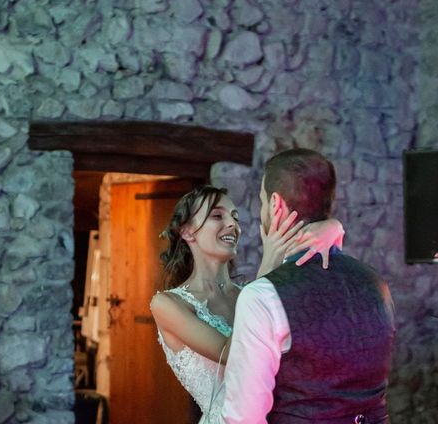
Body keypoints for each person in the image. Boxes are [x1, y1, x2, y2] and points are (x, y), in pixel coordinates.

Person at [221, 149, 396, 423]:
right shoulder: (376, 283)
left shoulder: (262, 297)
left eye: (262, 201)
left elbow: (243, 416)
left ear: (276, 204)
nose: (262, 211)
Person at [150, 185, 345, 423]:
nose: (232, 224)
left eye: (235, 216)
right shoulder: (166, 304)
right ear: (188, 232)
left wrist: (333, 226)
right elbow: (235, 354)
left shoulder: (251, 295)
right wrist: (268, 265)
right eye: (217, 215)